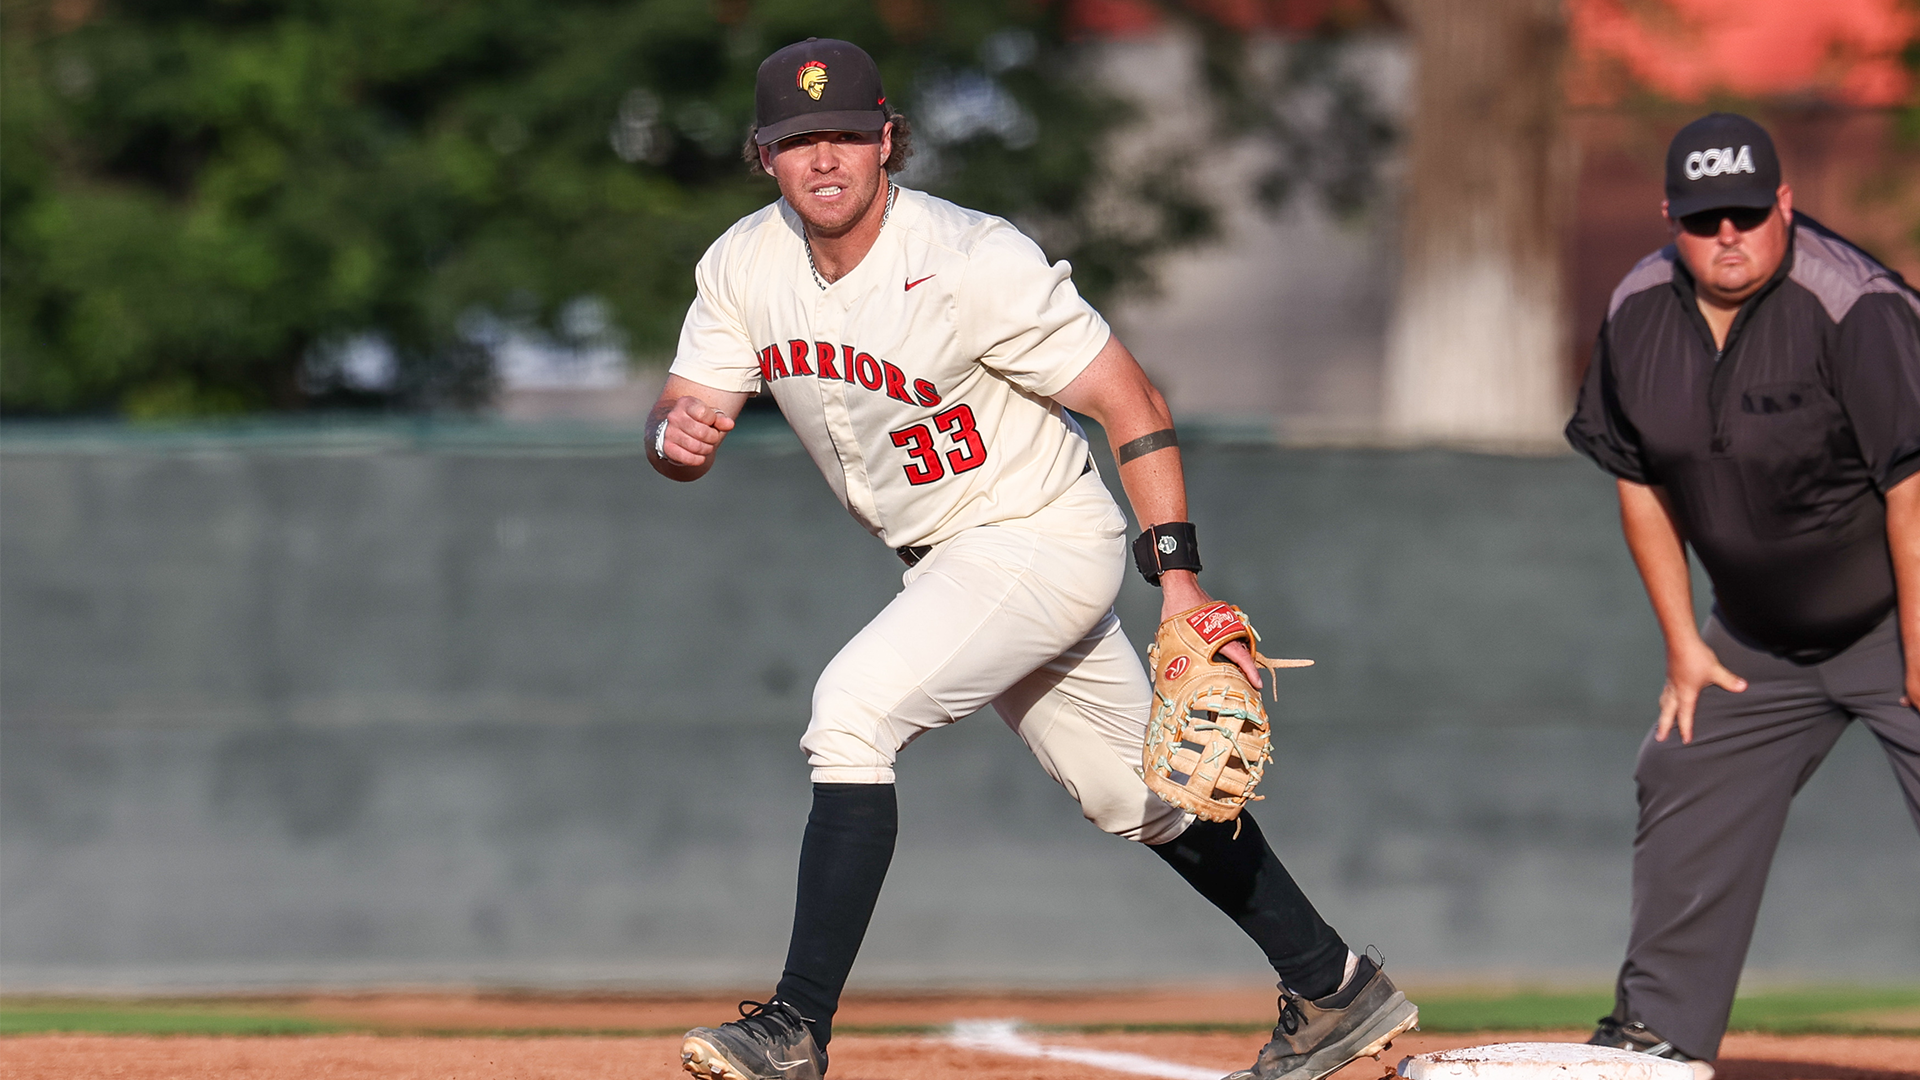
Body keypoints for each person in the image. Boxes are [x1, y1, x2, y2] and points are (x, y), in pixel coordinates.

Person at [649, 37, 1417, 1080]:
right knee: (1132, 793)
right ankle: (1334, 985)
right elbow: (688, 410)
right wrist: (674, 437)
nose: (822, 160)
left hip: (1038, 536)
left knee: (854, 710)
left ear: (886, 140)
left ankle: (796, 1026)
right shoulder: (746, 262)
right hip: (945, 557)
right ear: (764, 156)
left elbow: (1127, 400)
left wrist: (1179, 579)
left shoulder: (970, 258)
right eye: (796, 141)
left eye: (842, 135)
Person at [1567, 112, 1920, 1069]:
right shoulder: (1638, 308)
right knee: (1683, 763)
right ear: (1673, 216)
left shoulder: (1857, 306)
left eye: (1749, 213)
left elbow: (1912, 493)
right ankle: (1658, 1036)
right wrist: (1686, 644)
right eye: (1707, 216)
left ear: (1785, 206)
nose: (1730, 234)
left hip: (1896, 618)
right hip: (1755, 638)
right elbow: (1636, 480)